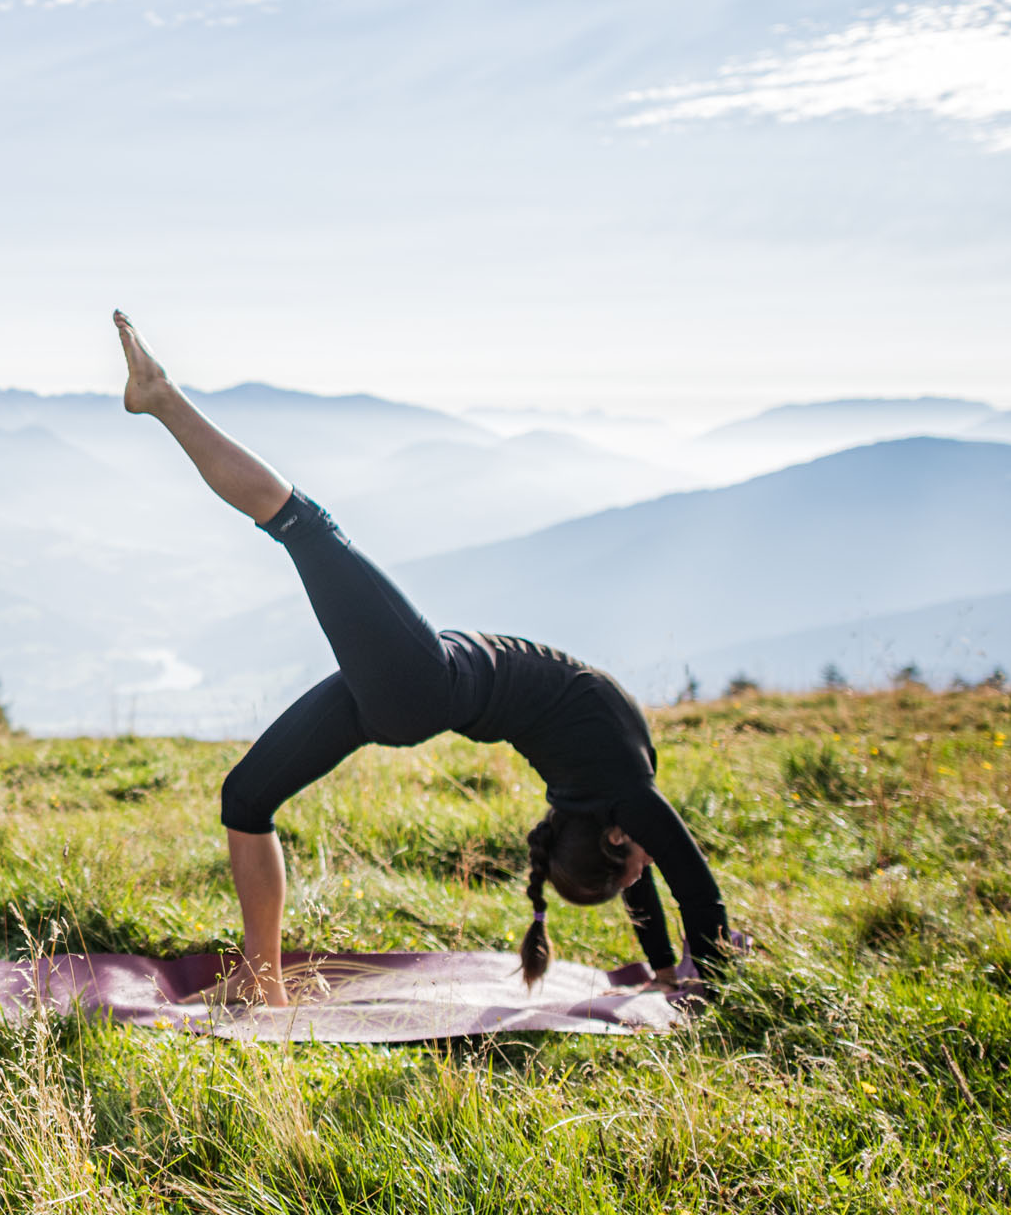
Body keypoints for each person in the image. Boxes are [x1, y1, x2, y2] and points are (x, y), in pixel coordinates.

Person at [114, 311, 730, 1006]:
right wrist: (666, 970)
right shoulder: (616, 800)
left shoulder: (620, 796)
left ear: (616, 836)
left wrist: (707, 973)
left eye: (629, 861)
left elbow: (680, 880)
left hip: (425, 683)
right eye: (632, 864)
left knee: (302, 524)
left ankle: (160, 397)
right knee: (246, 797)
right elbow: (664, 878)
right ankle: (263, 982)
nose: (643, 860)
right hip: (418, 688)